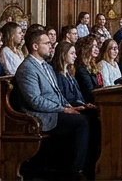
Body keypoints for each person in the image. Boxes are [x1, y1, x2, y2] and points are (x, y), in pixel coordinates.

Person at [13, 31, 90, 181]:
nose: (51, 46)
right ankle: (75, 172)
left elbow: (57, 93)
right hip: (40, 116)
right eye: (47, 43)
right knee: (82, 122)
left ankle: (90, 166)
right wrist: (63, 109)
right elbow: (35, 100)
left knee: (91, 115)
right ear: (35, 46)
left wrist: (67, 104)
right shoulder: (27, 68)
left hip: (54, 110)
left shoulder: (46, 66)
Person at [52, 40, 100, 179]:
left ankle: (92, 161)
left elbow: (78, 94)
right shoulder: (57, 74)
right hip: (65, 109)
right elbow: (62, 97)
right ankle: (78, 168)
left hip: (78, 105)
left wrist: (85, 104)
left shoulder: (69, 73)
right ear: (62, 55)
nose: (75, 56)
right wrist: (79, 106)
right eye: (72, 53)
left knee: (96, 117)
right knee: (86, 121)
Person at [75, 36, 103, 101]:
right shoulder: (81, 69)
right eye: (94, 46)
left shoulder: (92, 66)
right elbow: (89, 92)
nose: (97, 49)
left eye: (97, 46)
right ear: (86, 48)